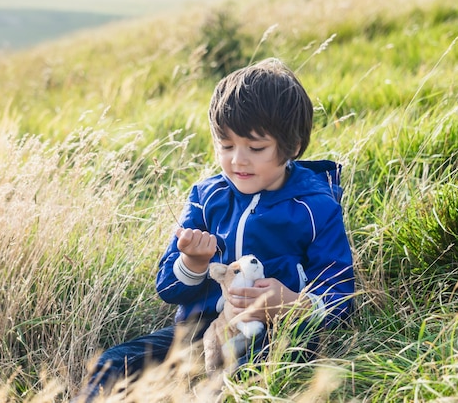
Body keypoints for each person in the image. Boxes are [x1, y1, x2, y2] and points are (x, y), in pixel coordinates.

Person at [74, 57, 354, 402]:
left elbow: (340, 292)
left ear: (292, 147)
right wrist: (192, 263)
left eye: (256, 148)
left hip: (273, 334)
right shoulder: (206, 198)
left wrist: (293, 304)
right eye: (226, 146)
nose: (238, 160)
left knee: (243, 374)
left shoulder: (316, 206)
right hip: (198, 330)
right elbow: (169, 289)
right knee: (113, 363)